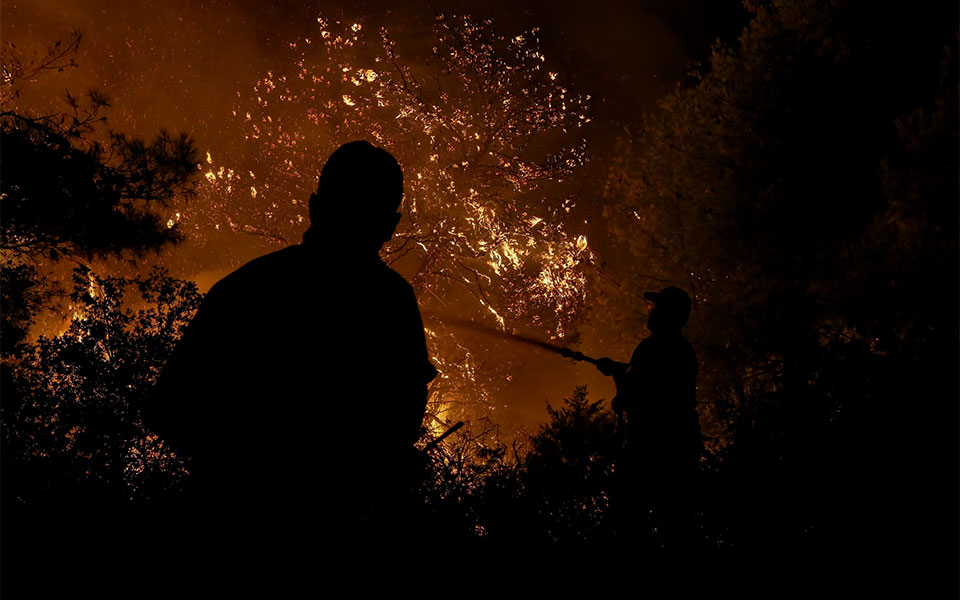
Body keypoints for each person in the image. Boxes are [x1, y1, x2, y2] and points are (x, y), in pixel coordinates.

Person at [141, 141, 437, 562]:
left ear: (315, 206)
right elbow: (401, 423)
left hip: (221, 532)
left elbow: (164, 408)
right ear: (391, 224)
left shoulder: (247, 288)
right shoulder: (391, 304)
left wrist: (231, 469)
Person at [593, 286, 701, 553]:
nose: (652, 312)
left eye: (658, 307)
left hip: (652, 449)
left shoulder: (654, 347)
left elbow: (635, 395)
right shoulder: (680, 349)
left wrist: (619, 380)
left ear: (668, 314)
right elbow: (647, 381)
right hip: (681, 448)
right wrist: (620, 371)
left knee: (635, 521)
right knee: (677, 523)